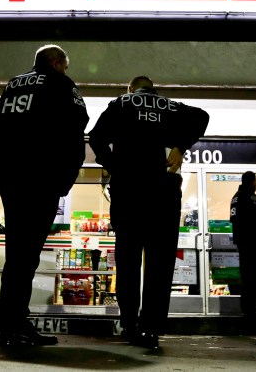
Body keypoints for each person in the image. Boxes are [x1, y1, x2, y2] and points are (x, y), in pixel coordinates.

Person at [88, 76, 209, 349]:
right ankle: (151, 328)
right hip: (163, 194)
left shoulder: (121, 104)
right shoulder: (170, 106)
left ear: (131, 89)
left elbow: (95, 137)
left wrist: (113, 164)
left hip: (129, 192)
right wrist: (181, 146)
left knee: (128, 261)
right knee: (160, 263)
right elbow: (202, 116)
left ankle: (129, 324)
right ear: (153, 89)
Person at [0, 44, 89, 347]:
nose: (66, 71)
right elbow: (75, 130)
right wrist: (64, 180)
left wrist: (4, 167)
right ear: (57, 64)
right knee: (26, 255)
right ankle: (14, 328)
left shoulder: (14, 85)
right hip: (42, 179)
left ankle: (13, 324)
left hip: (12, 179)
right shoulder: (61, 84)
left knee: (17, 254)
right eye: (65, 66)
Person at [229, 171, 256, 319]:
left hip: (248, 243)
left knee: (249, 275)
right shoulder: (246, 197)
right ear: (252, 182)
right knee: (253, 275)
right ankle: (252, 307)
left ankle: (251, 307)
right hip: (252, 243)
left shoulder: (238, 197)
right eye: (255, 181)